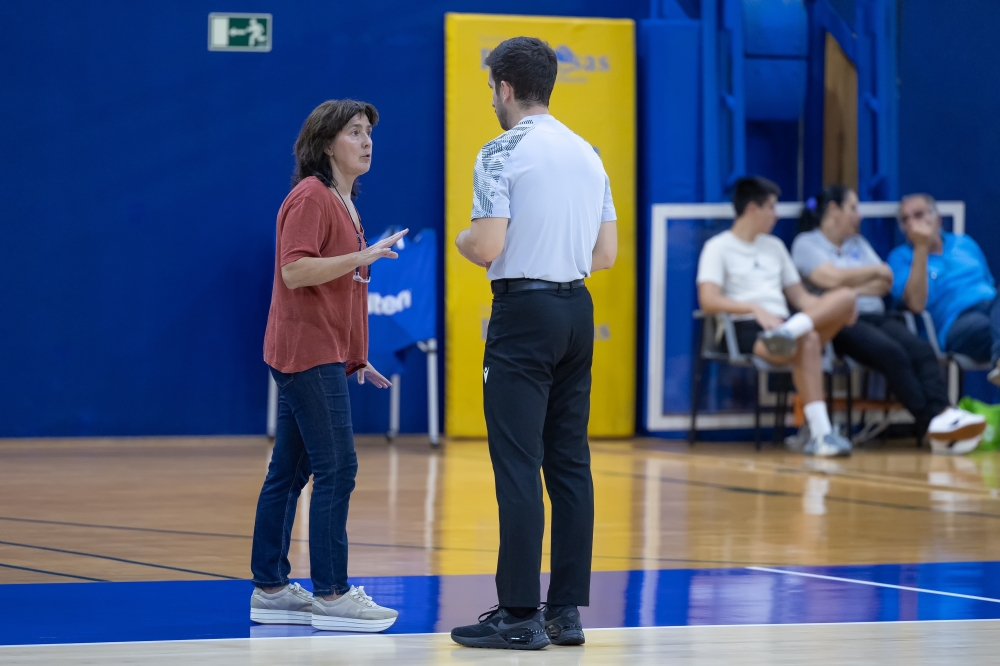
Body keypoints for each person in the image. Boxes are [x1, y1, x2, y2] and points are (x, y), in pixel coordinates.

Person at [450, 36, 618, 651]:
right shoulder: (588, 152)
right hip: (577, 310)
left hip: (524, 312)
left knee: (518, 464)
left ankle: (519, 613)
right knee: (569, 462)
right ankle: (565, 612)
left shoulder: (500, 152)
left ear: (503, 87)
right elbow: (606, 255)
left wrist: (466, 243)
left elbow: (487, 245)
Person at [249, 100, 407, 632]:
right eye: (355, 133)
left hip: (323, 355)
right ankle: (334, 595)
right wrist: (362, 258)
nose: (366, 142)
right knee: (338, 467)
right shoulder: (311, 198)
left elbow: (343, 294)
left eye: (368, 133)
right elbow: (295, 272)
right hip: (305, 352)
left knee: (290, 473)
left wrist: (356, 357)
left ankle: (269, 588)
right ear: (324, 145)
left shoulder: (344, 202)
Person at [792, 186, 985, 453]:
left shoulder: (858, 244)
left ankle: (945, 412)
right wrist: (868, 274)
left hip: (877, 315)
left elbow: (885, 282)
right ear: (834, 211)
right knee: (891, 354)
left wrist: (851, 284)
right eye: (853, 209)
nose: (859, 216)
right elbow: (828, 279)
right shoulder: (807, 243)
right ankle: (932, 424)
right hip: (842, 321)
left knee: (920, 349)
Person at [697, 177, 857, 457]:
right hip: (745, 327)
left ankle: (790, 334)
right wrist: (753, 307)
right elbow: (708, 300)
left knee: (845, 298)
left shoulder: (775, 247)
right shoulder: (718, 247)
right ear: (752, 209)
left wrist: (832, 308)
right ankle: (821, 434)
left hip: (785, 324)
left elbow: (802, 299)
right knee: (809, 340)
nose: (776, 214)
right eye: (771, 207)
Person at [890, 193, 1000, 386]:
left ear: (937, 219)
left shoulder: (964, 242)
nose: (911, 223)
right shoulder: (900, 258)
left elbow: (989, 284)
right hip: (957, 322)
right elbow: (915, 304)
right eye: (905, 220)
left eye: (918, 215)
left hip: (991, 307)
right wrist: (921, 248)